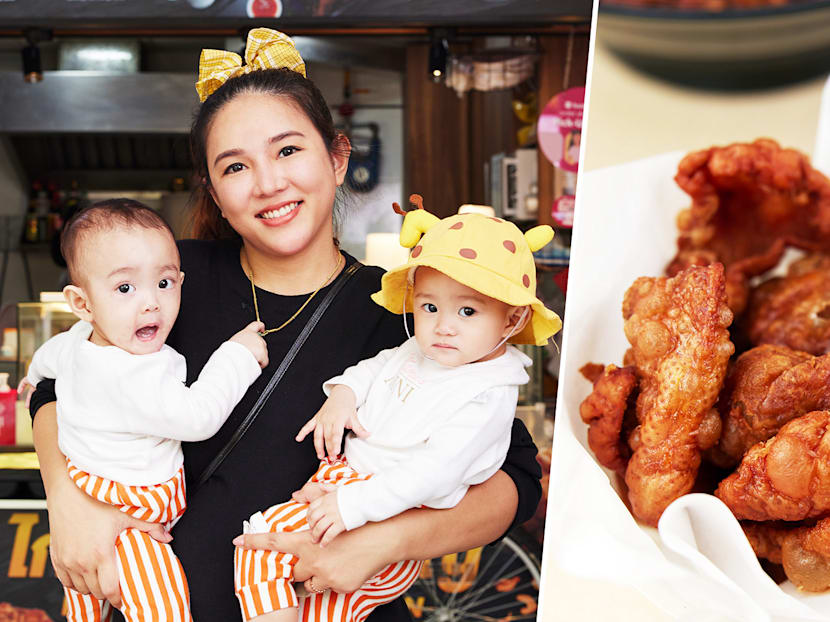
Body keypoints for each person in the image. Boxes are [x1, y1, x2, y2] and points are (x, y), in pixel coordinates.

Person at [29, 28, 544, 622]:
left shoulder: (407, 311)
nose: (269, 183)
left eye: (288, 151)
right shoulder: (167, 283)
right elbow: (55, 385)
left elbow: (515, 477)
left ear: (338, 157)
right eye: (235, 166)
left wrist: (383, 543)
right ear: (215, 192)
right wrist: (66, 502)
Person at [234, 203, 562, 622]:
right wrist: (344, 395)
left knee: (262, 545)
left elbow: (435, 472)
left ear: (512, 320)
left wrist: (352, 505)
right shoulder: (425, 351)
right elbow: (377, 367)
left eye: (467, 311)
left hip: (385, 512)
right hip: (352, 492)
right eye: (429, 307)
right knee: (318, 607)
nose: (443, 326)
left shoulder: (487, 395)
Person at [24, 199, 268, 622]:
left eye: (165, 283)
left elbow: (44, 365)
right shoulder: (127, 374)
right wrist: (239, 356)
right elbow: (198, 416)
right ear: (82, 303)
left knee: (86, 606)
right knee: (163, 606)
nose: (151, 302)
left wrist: (29, 381)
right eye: (125, 289)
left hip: (90, 492)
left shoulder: (78, 340)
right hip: (126, 518)